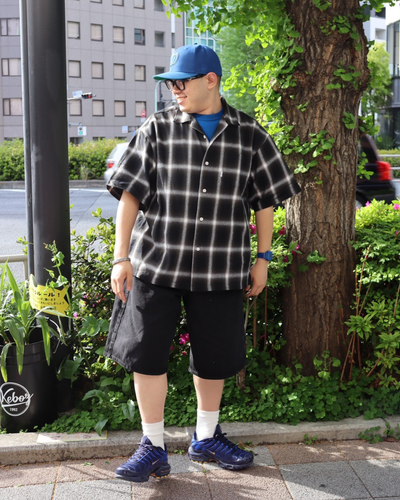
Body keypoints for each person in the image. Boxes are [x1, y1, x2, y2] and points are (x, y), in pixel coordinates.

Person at [105, 44, 300, 483]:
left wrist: (263, 257)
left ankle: (206, 437)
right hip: (156, 263)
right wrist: (121, 257)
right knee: (146, 355)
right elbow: (130, 194)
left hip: (220, 267)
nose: (174, 90)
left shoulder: (250, 135)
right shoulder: (157, 129)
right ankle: (152, 447)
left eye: (181, 83)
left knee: (214, 357)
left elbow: (265, 201)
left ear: (210, 80)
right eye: (170, 84)